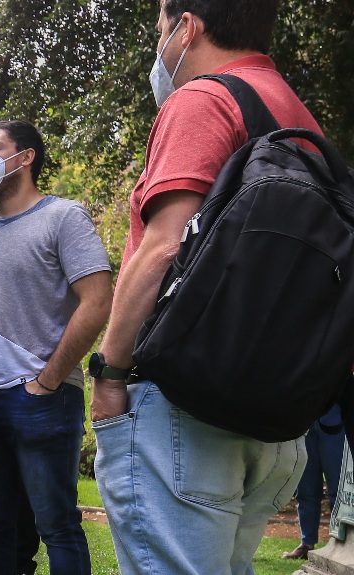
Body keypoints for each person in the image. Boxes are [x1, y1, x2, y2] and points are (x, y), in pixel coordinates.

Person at [90, 1, 321, 572]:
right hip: (273, 417)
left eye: (161, 29)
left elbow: (164, 247)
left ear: (187, 28)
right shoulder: (299, 118)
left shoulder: (203, 98)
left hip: (183, 411)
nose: (159, 44)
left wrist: (111, 372)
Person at [0, 120, 112, 575]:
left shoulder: (64, 217)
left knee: (57, 524)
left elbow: (97, 301)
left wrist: (47, 381)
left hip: (39, 400)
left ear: (26, 157)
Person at [283, 406, 344, 560]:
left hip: (336, 422)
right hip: (304, 423)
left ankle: (340, 542)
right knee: (305, 489)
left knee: (338, 490)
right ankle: (307, 543)